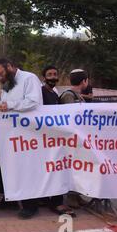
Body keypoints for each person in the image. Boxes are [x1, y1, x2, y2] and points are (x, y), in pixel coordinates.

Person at [0, 58, 43, 219]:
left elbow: (33, 102)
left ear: (10, 67)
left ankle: (30, 206)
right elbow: (7, 102)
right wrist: (0, 104)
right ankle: (9, 200)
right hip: (11, 133)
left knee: (26, 168)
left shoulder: (29, 78)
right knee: (8, 165)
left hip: (28, 133)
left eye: (1, 73)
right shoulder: (8, 83)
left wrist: (10, 105)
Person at [41, 66, 76, 217]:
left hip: (55, 140)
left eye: (55, 74)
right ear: (44, 77)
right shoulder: (41, 93)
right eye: (49, 74)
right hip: (43, 139)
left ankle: (54, 199)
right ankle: (55, 202)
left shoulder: (55, 94)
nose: (53, 77)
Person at [59, 69, 90, 209]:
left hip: (78, 139)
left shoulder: (77, 95)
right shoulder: (68, 96)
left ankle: (76, 195)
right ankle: (71, 196)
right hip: (71, 140)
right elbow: (70, 119)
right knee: (71, 167)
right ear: (84, 81)